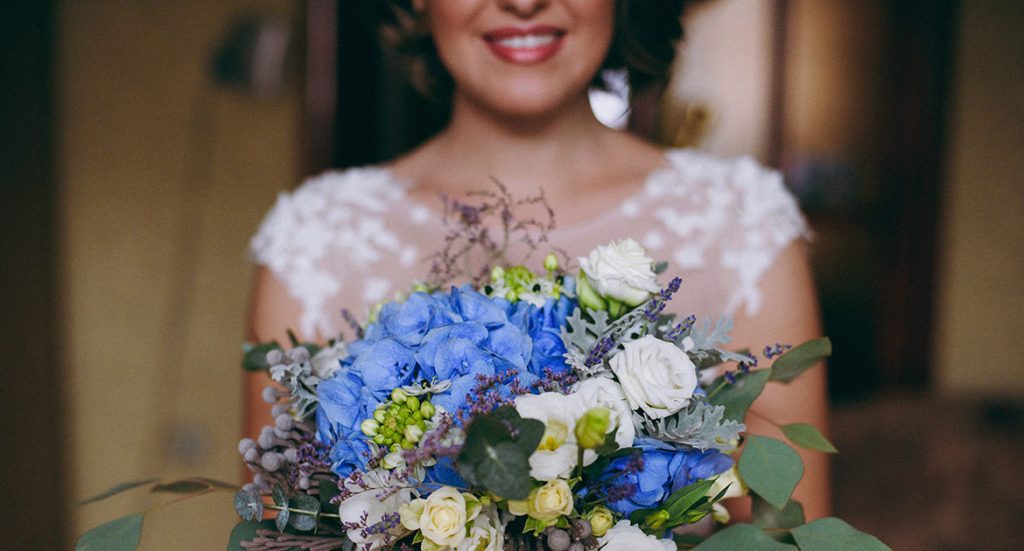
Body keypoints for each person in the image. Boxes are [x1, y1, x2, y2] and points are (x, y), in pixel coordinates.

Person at [246, 0, 829, 521]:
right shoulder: (317, 240)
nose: (523, 3)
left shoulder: (740, 224)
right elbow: (281, 525)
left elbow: (787, 534)